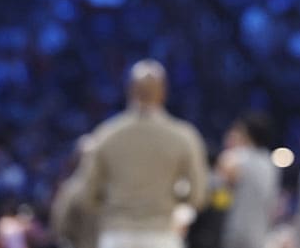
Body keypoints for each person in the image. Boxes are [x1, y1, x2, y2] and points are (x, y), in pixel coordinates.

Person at [78, 59, 208, 248]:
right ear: (164, 91)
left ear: (130, 89)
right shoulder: (184, 137)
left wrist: (114, 207)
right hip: (162, 235)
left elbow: (87, 195)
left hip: (117, 235)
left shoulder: (106, 135)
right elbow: (198, 195)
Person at [218, 112, 280, 248]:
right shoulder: (271, 164)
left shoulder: (235, 158)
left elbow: (219, 191)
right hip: (260, 233)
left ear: (246, 133)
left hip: (235, 231)